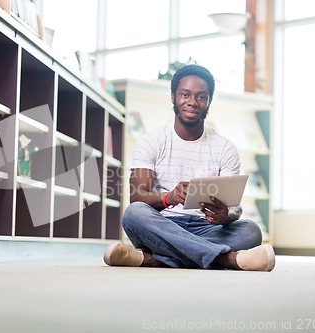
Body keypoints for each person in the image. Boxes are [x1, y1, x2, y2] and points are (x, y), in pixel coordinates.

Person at [103, 64, 275, 271]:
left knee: (251, 230)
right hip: (162, 225)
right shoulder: (151, 142)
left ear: (209, 101)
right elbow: (137, 196)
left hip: (207, 227)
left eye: (201, 96)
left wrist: (226, 215)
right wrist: (169, 197)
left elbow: (235, 206)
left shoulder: (225, 148)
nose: (192, 102)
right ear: (173, 96)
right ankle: (227, 260)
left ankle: (149, 259)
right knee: (134, 214)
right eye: (185, 94)